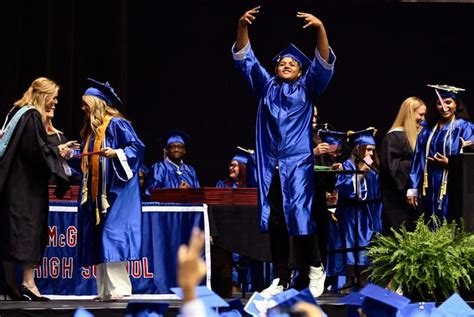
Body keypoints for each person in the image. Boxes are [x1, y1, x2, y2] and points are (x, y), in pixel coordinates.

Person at [232, 6, 336, 297]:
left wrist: (320, 28)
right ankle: (281, 277)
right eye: (282, 62)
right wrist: (242, 26)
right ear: (275, 68)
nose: (287, 64)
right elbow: (246, 59)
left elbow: (324, 61)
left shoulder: (308, 88)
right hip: (270, 164)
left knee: (300, 215)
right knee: (275, 220)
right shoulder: (266, 87)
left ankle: (316, 268)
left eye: (293, 63)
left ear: (301, 70)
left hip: (298, 163)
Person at [0, 77, 70, 301]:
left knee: (10, 233)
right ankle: (28, 284)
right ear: (44, 95)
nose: (56, 103)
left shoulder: (16, 112)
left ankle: (10, 285)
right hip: (26, 189)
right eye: (54, 98)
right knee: (28, 231)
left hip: (13, 184)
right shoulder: (31, 116)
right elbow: (36, 153)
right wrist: (58, 152)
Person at [77, 78, 145, 301]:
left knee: (110, 235)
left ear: (97, 103)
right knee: (99, 235)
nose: (83, 108)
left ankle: (120, 288)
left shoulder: (117, 124)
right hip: (99, 193)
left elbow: (137, 148)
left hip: (119, 191)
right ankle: (105, 290)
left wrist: (116, 153)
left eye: (86, 103)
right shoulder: (92, 131)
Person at [407, 85, 473, 220]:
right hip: (428, 184)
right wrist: (412, 189)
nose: (444, 107)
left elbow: (470, 161)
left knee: (451, 221)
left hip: (453, 183)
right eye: (439, 103)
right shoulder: (427, 130)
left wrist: (451, 163)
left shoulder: (465, 128)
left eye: (448, 102)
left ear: (456, 104)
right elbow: (418, 159)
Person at [335, 128, 382, 289]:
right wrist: (361, 173)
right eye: (367, 149)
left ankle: (364, 283)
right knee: (349, 245)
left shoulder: (374, 170)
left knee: (365, 246)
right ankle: (348, 282)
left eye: (372, 150)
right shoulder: (347, 165)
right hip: (350, 215)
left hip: (367, 215)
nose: (370, 153)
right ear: (357, 149)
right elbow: (344, 190)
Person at [380, 97, 426, 233]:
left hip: (416, 197)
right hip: (398, 201)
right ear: (410, 114)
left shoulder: (418, 136)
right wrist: (420, 164)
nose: (423, 119)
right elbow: (393, 168)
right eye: (420, 114)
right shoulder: (394, 137)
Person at [144, 129, 200, 197]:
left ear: (184, 151)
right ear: (167, 150)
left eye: (180, 147)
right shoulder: (159, 168)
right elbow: (152, 193)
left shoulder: (190, 170)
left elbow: (199, 195)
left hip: (190, 207)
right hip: (167, 207)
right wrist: (177, 192)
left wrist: (190, 189)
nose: (176, 150)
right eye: (172, 147)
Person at [44, 99, 81, 193]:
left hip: (59, 184)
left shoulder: (59, 137)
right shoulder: (32, 134)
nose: (53, 106)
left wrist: (69, 152)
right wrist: (58, 149)